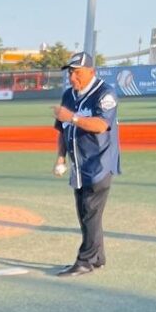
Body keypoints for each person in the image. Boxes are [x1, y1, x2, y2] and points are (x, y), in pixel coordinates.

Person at [51, 51, 120, 276]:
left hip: (99, 162)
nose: (73, 77)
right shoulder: (68, 96)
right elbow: (62, 130)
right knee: (86, 213)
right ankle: (97, 257)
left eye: (77, 72)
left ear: (91, 71)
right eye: (70, 73)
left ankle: (85, 261)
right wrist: (61, 157)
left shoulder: (105, 93)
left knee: (90, 211)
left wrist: (72, 117)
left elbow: (101, 125)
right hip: (79, 166)